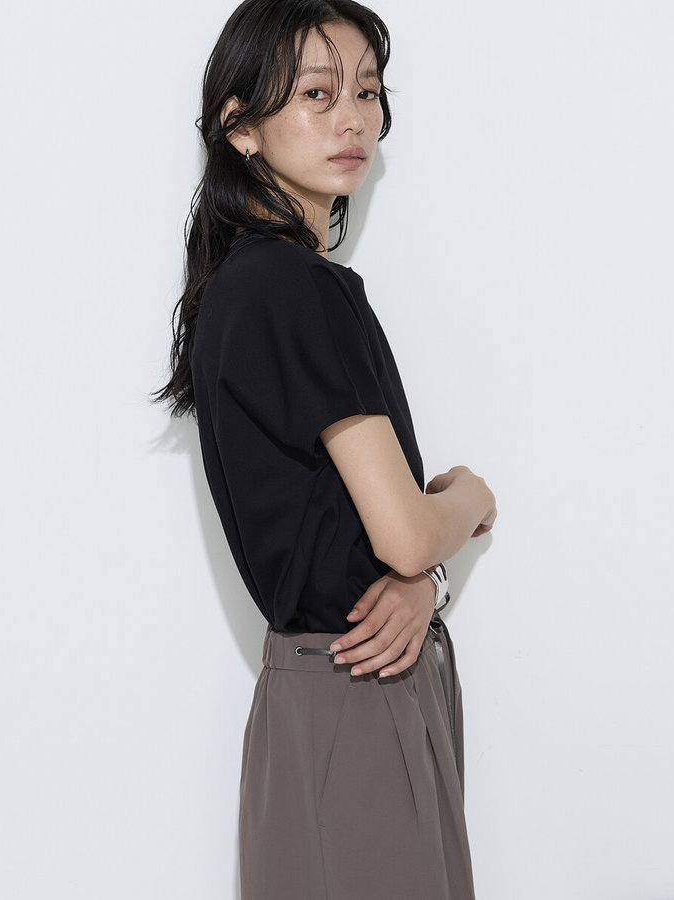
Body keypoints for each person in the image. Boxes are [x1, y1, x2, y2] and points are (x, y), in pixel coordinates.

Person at [153, 1, 497, 897]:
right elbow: (404, 534)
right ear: (240, 127)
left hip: (328, 690)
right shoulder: (297, 288)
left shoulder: (244, 287)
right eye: (316, 93)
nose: (352, 118)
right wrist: (471, 495)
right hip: (357, 697)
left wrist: (424, 585)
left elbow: (348, 539)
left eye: (368, 93)